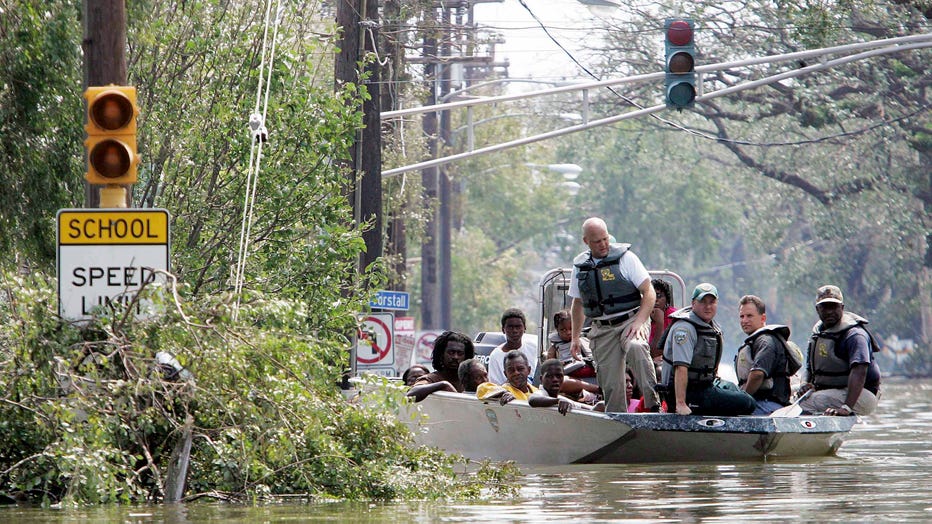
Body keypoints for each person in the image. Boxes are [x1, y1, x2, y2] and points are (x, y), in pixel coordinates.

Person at [569, 217, 660, 413]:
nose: (603, 245)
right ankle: (617, 418)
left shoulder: (626, 258)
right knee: (611, 383)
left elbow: (649, 291)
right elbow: (577, 303)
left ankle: (654, 405)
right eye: (597, 241)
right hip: (602, 328)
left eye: (605, 239)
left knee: (636, 346)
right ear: (586, 241)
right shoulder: (580, 266)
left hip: (631, 319)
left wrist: (639, 322)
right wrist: (575, 337)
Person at [660, 283, 755, 416]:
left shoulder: (709, 327)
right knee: (748, 403)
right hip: (687, 393)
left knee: (735, 390)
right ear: (693, 304)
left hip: (703, 387)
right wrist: (680, 404)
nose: (708, 306)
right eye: (703, 302)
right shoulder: (685, 329)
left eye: (712, 302)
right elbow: (680, 367)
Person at [798, 285, 882, 416]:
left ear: (842, 308)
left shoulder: (854, 335)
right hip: (833, 391)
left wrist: (846, 407)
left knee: (802, 403)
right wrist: (804, 384)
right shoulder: (818, 334)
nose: (829, 311)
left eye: (834, 306)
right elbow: (809, 368)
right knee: (789, 394)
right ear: (817, 309)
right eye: (825, 307)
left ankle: (805, 434)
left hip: (861, 395)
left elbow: (860, 371)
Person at [735, 295, 793, 415]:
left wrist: (742, 401)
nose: (744, 320)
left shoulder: (766, 341)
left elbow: (757, 374)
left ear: (763, 318)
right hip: (758, 402)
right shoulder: (754, 341)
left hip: (768, 405)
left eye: (749, 316)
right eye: (742, 316)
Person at [407, 331, 475, 401]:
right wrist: (443, 385)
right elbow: (410, 395)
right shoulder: (431, 379)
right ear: (441, 354)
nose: (455, 357)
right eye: (451, 352)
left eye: (460, 353)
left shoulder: (470, 380)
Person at [487, 308, 538, 386]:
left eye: (518, 327)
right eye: (510, 327)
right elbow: (495, 386)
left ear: (524, 328)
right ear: (503, 329)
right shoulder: (495, 355)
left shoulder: (534, 347)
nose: (514, 331)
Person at [529, 359, 593, 415]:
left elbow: (586, 408)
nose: (555, 379)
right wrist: (558, 401)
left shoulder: (559, 398)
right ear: (541, 379)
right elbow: (533, 399)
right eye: (550, 376)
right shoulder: (542, 393)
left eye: (559, 376)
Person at [547, 309, 594, 378]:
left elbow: (592, 357)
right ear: (557, 329)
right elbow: (549, 364)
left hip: (584, 368)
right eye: (563, 330)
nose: (568, 332)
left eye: (571, 329)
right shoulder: (555, 347)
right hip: (566, 373)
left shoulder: (582, 340)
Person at [649, 278, 677, 360]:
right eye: (651, 296)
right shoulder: (641, 318)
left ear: (667, 299)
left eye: (658, 296)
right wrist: (659, 323)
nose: (655, 300)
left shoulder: (675, 317)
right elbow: (652, 353)